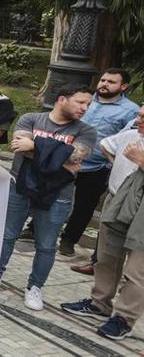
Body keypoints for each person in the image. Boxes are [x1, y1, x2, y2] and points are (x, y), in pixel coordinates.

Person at [0, 84, 97, 311]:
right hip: (20, 186)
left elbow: (76, 156)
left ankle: (35, 286)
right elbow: (19, 146)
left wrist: (35, 145)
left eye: (88, 104)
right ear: (62, 99)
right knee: (7, 234)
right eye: (80, 102)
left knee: (46, 244)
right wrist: (58, 155)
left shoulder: (86, 131)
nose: (85, 108)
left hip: (58, 193)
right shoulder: (31, 118)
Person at [60, 105, 144, 340]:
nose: (139, 120)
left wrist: (141, 162)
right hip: (117, 202)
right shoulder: (130, 136)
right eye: (139, 115)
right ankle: (100, 303)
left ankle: (123, 318)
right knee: (106, 258)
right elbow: (107, 145)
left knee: (137, 271)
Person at [59, 69, 140, 257]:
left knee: (84, 206)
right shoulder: (85, 100)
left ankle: (69, 240)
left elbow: (128, 138)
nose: (104, 84)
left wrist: (113, 164)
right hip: (66, 159)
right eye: (103, 80)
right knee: (53, 194)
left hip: (97, 165)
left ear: (124, 86)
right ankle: (33, 229)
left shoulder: (131, 110)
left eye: (111, 82)